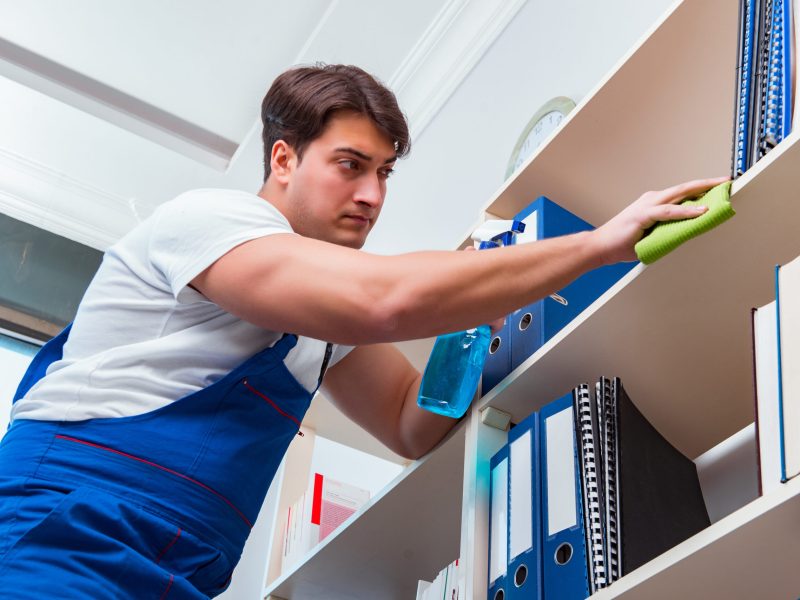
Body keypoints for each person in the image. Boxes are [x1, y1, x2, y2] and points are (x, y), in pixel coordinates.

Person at [0, 63, 728, 598]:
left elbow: (409, 424)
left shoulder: (320, 329)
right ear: (283, 157)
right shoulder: (211, 224)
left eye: (383, 173)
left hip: (179, 575)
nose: (372, 195)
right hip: (62, 532)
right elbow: (384, 300)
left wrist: (470, 330)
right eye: (351, 166)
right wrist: (601, 244)